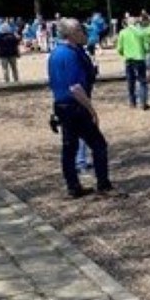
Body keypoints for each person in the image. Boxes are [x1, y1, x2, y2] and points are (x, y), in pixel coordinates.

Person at [47, 18, 113, 199]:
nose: (85, 34)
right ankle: (103, 185)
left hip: (61, 106)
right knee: (99, 145)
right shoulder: (71, 54)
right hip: (76, 106)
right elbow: (75, 87)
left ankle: (73, 186)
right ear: (72, 34)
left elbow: (55, 83)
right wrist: (91, 109)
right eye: (81, 31)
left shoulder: (55, 54)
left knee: (69, 148)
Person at [116, 15, 150, 110]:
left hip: (129, 59)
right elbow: (147, 48)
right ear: (136, 23)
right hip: (139, 59)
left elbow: (119, 49)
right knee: (142, 81)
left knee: (130, 82)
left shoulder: (122, 32)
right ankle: (143, 103)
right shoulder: (142, 32)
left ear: (127, 23)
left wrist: (125, 53)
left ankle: (132, 102)